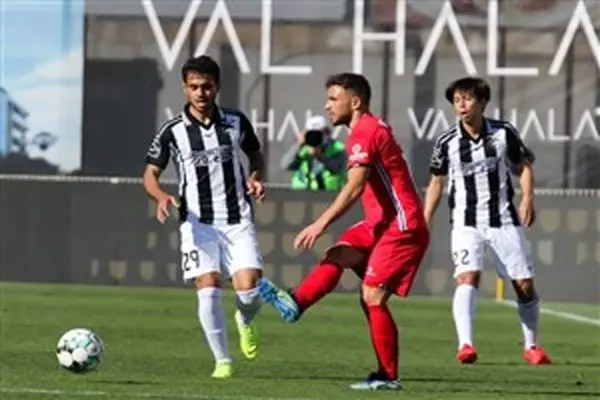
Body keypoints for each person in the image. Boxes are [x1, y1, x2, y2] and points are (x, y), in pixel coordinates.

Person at [257, 73, 430, 391]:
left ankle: (388, 377)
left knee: (372, 296)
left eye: (333, 99)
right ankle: (296, 304)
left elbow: (354, 187)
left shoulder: (365, 131)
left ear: (356, 101)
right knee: (338, 254)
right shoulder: (364, 130)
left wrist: (320, 223)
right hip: (379, 223)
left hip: (400, 225)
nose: (327, 106)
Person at [142, 55, 266, 379]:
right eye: (194, 86)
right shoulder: (172, 132)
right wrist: (161, 196)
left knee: (249, 289)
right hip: (197, 223)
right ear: (185, 88)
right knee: (208, 286)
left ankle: (245, 319)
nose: (201, 93)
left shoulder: (236, 122)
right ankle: (222, 360)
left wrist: (255, 178)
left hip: (237, 219)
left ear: (217, 87)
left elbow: (255, 154)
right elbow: (150, 174)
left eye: (207, 86)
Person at [423, 76, 551, 365]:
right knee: (467, 276)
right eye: (457, 100)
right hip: (465, 221)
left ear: (482, 102)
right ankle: (465, 345)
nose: (462, 105)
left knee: (524, 285)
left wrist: (527, 198)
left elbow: (523, 166)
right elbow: (436, 181)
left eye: (467, 99)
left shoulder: (503, 133)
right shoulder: (446, 141)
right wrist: (424, 219)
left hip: (503, 219)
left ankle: (531, 346)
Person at [280, 115, 346, 191]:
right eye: (311, 133)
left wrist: (320, 156)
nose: (315, 137)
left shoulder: (337, 148)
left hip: (328, 194)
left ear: (327, 133)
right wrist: (299, 144)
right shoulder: (301, 148)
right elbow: (285, 165)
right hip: (301, 194)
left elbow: (339, 168)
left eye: (319, 134)